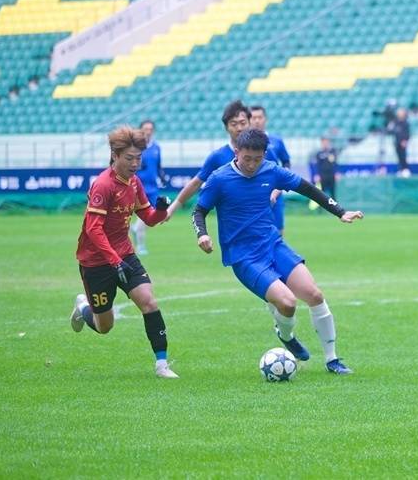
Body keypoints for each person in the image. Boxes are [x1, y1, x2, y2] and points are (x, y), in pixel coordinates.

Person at [192, 129, 363, 375]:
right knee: (287, 302)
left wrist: (341, 212)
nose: (252, 164)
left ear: (264, 154)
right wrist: (202, 234)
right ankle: (286, 335)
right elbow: (199, 211)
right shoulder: (219, 179)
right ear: (237, 152)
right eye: (247, 158)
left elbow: (307, 188)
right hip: (244, 257)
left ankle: (332, 360)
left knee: (314, 294)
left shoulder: (271, 170)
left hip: (273, 245)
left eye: (257, 159)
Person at [69, 125, 178, 378]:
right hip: (96, 261)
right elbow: (93, 229)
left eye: (139, 158)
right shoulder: (103, 185)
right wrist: (113, 260)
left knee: (149, 302)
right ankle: (83, 307)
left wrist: (161, 210)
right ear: (114, 155)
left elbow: (148, 217)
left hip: (124, 255)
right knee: (104, 326)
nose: (135, 164)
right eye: (129, 158)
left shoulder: (134, 182)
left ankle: (162, 364)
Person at [166, 100, 281, 219]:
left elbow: (280, 177)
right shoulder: (217, 157)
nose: (239, 128)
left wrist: (274, 193)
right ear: (226, 127)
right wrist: (172, 208)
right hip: (232, 222)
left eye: (243, 123)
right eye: (233, 124)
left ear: (249, 123)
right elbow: (196, 183)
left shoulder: (264, 151)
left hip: (265, 218)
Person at [250, 105, 291, 234]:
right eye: (253, 117)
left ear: (265, 119)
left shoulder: (276, 140)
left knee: (278, 231)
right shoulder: (244, 142)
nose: (257, 121)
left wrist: (280, 186)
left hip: (274, 191)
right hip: (252, 192)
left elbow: (286, 163)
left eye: (260, 117)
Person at [130, 120, 166, 255]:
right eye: (145, 129)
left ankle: (135, 229)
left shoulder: (156, 147)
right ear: (140, 130)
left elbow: (158, 166)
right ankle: (141, 246)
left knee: (157, 215)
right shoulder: (135, 147)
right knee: (144, 214)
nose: (148, 131)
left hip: (153, 187)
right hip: (139, 187)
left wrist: (162, 177)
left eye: (150, 129)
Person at [387, 106, 411, 177]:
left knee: (403, 156)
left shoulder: (405, 123)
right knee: (398, 157)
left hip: (403, 142)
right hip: (397, 142)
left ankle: (406, 169)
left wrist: (405, 140)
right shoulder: (395, 122)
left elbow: (407, 133)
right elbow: (390, 131)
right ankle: (401, 169)